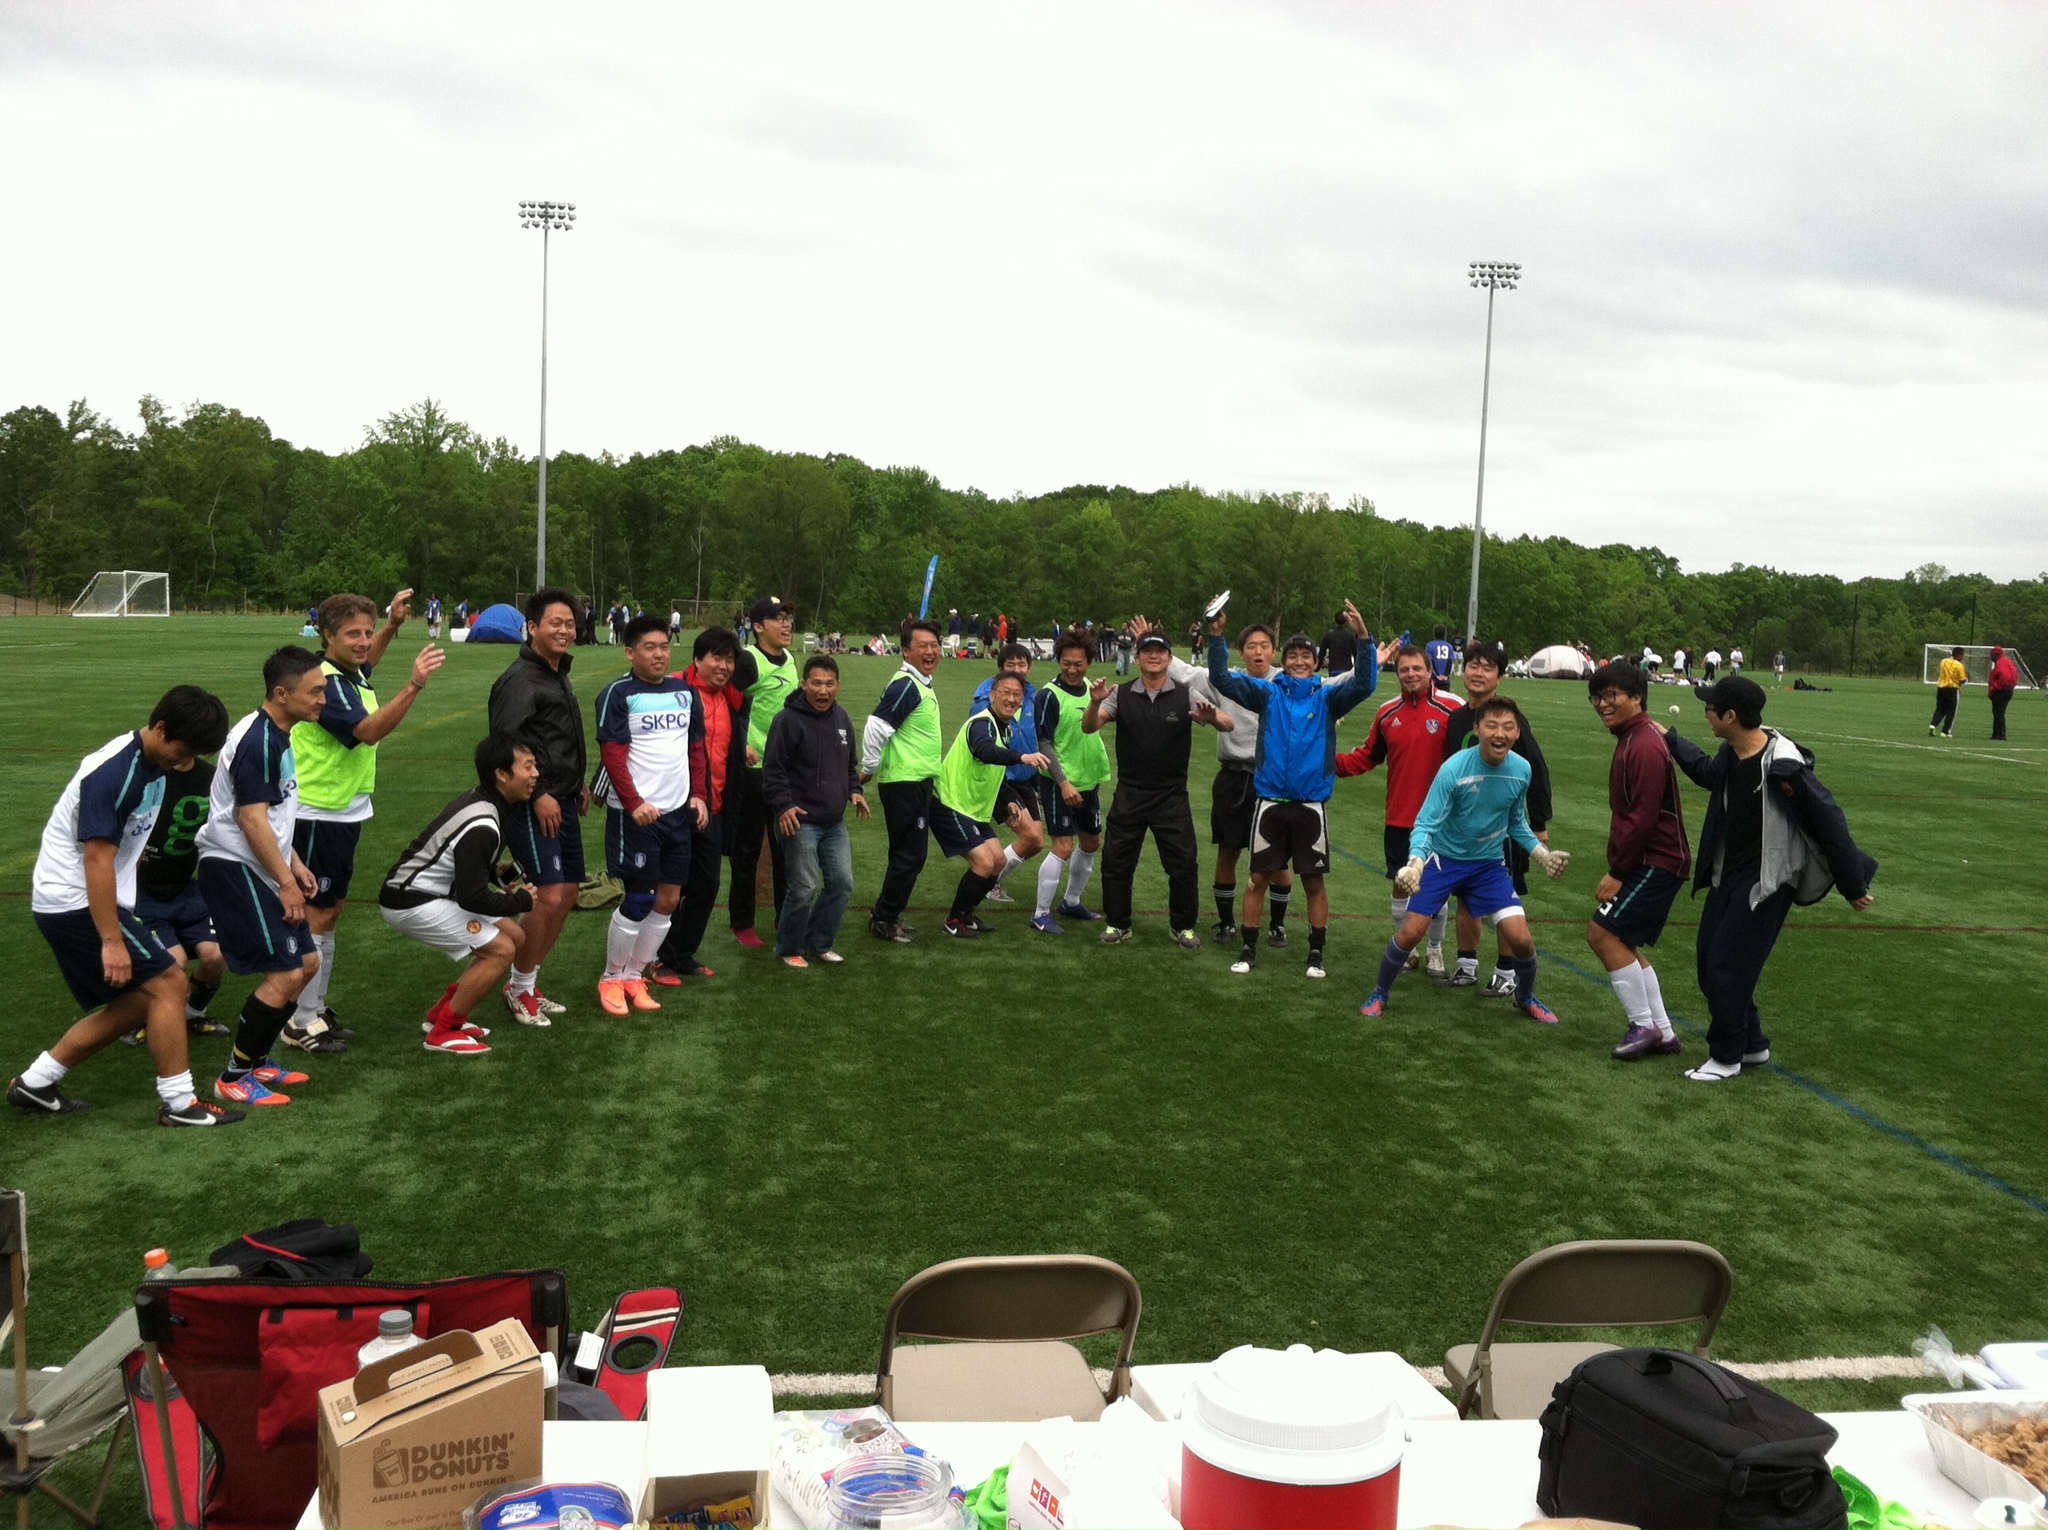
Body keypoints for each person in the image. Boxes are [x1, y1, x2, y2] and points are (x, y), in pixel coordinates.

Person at [9, 686, 241, 1126]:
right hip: (74, 901)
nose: (183, 761)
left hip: (86, 898)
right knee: (170, 981)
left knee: (141, 1000)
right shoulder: (117, 774)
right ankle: (180, 1104)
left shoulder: (151, 762)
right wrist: (112, 940)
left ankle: (36, 1082)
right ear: (161, 728)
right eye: (182, 750)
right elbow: (97, 859)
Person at [1664, 676, 1877, 1080]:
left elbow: (1830, 822)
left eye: (1710, 708)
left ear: (1730, 716)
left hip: (1767, 881)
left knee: (1726, 967)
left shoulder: (1784, 766)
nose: (1706, 713)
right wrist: (1672, 740)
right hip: (1728, 874)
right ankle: (1753, 1045)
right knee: (1710, 965)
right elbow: (1709, 773)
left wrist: (1853, 885)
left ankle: (1726, 1057)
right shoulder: (1731, 754)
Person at [284, 589, 443, 1054]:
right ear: (327, 636)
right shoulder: (327, 684)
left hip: (343, 808)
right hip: (318, 809)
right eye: (352, 634)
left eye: (367, 632)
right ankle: (299, 1019)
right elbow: (367, 732)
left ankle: (314, 1008)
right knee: (317, 913)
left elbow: (367, 662)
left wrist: (391, 626)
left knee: (330, 910)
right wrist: (414, 685)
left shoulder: (347, 673)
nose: (363, 642)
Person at [1359, 698, 1571, 1022]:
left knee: (1522, 940)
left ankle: (1525, 997)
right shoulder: (1454, 769)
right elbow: (1426, 823)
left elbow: (1515, 821)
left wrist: (1541, 855)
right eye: (1492, 726)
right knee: (1411, 932)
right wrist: (1416, 863)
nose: (1500, 734)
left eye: (1508, 727)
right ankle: (1379, 993)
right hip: (1443, 861)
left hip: (1488, 865)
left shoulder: (1522, 769)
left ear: (1518, 733)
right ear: (1477, 729)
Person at [1210, 604, 1382, 977]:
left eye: (1306, 656)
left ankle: (1316, 953)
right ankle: (1248, 949)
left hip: (1310, 804)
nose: (1300, 661)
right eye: (1293, 656)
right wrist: (1217, 635)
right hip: (1270, 801)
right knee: (1258, 878)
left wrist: (1363, 637)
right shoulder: (1268, 693)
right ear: (1283, 662)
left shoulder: (1327, 698)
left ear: (1317, 662)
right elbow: (1222, 679)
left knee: (1313, 881)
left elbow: (1365, 684)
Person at [195, 647, 330, 1108]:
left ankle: (257, 1059)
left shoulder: (278, 734)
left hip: (260, 862)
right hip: (235, 864)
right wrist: (287, 882)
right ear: (281, 693)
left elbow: (271, 814)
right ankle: (234, 1077)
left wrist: (296, 864)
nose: (323, 699)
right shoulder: (260, 741)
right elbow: (250, 819)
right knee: (287, 971)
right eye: (315, 691)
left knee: (306, 964)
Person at [379, 735, 543, 1055]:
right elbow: (473, 897)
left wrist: (494, 873)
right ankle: (444, 1030)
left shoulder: (485, 800)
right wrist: (519, 901)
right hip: (411, 901)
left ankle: (441, 1013)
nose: (536, 773)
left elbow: (461, 860)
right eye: (528, 766)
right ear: (502, 774)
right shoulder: (483, 823)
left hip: (430, 893)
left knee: (515, 936)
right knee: (501, 950)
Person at [592, 615, 708, 1014]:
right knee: (640, 898)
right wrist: (634, 802)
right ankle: (611, 978)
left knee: (669, 899)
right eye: (649, 647)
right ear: (630, 652)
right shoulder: (618, 693)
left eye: (664, 646)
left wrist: (699, 795)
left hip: (678, 814)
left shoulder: (684, 692)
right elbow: (613, 754)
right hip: (637, 816)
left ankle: (634, 975)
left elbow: (696, 748)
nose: (659, 654)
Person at [1082, 632, 1229, 946]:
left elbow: (1228, 723)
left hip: (1171, 795)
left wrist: (1213, 717)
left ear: (1169, 658)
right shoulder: (1121, 694)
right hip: (1131, 792)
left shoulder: (1185, 694)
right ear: (1137, 658)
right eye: (1147, 651)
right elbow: (1089, 726)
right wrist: (1094, 703)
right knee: (1117, 861)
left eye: (1160, 651)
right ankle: (1118, 924)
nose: (1154, 656)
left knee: (1183, 864)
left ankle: (1183, 927)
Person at [486, 586, 588, 1025]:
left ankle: (525, 982)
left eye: (570, 624)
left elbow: (557, 738)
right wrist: (540, 792)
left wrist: (576, 783)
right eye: (555, 623)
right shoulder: (521, 680)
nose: (564, 630)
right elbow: (504, 746)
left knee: (568, 893)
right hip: (533, 803)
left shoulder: (556, 672)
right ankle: (519, 988)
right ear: (532, 627)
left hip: (562, 798)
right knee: (547, 896)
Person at [1586, 661, 1693, 1062]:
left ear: (1637, 697)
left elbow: (1643, 817)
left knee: (1602, 934)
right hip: (1654, 858)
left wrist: (1618, 871)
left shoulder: (1643, 744)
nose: (1603, 704)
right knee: (1622, 940)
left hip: (1657, 859)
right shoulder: (1634, 737)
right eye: (1597, 697)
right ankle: (1663, 1032)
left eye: (1611, 696)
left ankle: (1644, 1025)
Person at [1437, 640, 1554, 996]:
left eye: (1487, 668)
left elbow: (1536, 769)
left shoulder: (1509, 721)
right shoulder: (1458, 719)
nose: (1478, 673)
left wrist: (1539, 823)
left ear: (1500, 677)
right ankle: (1467, 966)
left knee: (1505, 899)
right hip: (1463, 831)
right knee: (1465, 897)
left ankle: (1506, 972)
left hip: (1503, 829)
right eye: (1473, 665)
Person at [1335, 644, 1459, 977]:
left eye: (1417, 668)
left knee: (1436, 886)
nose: (1411, 674)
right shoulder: (1387, 713)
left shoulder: (1453, 708)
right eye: (1404, 669)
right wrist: (1330, 763)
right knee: (1400, 882)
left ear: (1430, 671)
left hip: (1443, 820)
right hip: (1400, 816)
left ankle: (1435, 949)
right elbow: (1368, 755)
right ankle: (1407, 948)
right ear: (1397, 674)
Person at [652, 628, 750, 984]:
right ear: (697, 659)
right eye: (716, 658)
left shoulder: (733, 699)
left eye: (729, 660)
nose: (724, 666)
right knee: (668, 887)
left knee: (706, 885)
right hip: (673, 807)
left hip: (715, 807)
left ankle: (681, 954)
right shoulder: (673, 690)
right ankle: (656, 957)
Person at [118, 747, 231, 1050]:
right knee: (174, 963)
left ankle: (192, 1014)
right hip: (145, 894)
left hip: (186, 889)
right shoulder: (152, 778)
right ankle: (146, 1018)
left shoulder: (212, 778)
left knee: (215, 956)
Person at [763, 655, 869, 966]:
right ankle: (789, 948)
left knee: (842, 884)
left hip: (834, 822)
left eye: (830, 684)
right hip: (800, 821)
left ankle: (819, 943)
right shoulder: (787, 721)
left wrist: (855, 790)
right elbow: (773, 770)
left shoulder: (842, 718)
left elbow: (849, 765)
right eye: (817, 683)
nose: (823, 690)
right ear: (804, 684)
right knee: (804, 887)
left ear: (838, 685)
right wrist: (784, 806)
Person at [928, 673, 1052, 938]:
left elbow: (995, 770)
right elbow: (985, 751)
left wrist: (1009, 800)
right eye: (1005, 692)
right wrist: (1022, 757)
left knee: (998, 861)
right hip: (950, 803)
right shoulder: (982, 723)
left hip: (973, 808)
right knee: (984, 862)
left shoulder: (1004, 729)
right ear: (992, 695)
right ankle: (953, 921)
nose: (1011, 699)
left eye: (1017, 694)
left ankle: (967, 914)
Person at [1200, 622, 1295, 949]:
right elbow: (1186, 672)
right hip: (1232, 778)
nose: (1259, 651)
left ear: (1274, 651)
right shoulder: (1229, 681)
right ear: (1241, 652)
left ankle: (1278, 925)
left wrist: (1370, 657)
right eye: (1252, 646)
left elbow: (1333, 686)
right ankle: (1226, 922)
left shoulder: (1287, 683)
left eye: (1265, 645)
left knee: (1278, 858)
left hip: (1273, 780)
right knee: (1228, 851)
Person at [862, 619, 945, 943]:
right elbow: (876, 726)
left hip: (915, 782)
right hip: (904, 783)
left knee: (907, 855)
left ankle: (888, 913)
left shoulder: (919, 683)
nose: (930, 651)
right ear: (906, 651)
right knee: (911, 856)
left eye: (934, 645)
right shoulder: (907, 685)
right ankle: (884, 918)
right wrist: (869, 767)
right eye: (922, 646)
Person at [728, 596, 801, 948]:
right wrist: (739, 743)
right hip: (752, 771)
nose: (786, 624)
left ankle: (784, 915)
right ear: (757, 627)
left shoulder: (790, 660)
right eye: (777, 618)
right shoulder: (748, 661)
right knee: (747, 851)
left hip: (784, 770)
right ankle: (742, 922)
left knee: (787, 848)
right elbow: (724, 704)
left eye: (787, 618)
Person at [1029, 631, 1114, 933]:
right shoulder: (1048, 695)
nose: (1072, 669)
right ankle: (1040, 914)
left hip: (1088, 781)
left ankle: (1071, 901)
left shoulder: (1093, 689)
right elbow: (1044, 743)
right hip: (1058, 782)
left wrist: (1093, 776)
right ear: (1059, 660)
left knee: (1091, 842)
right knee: (1063, 846)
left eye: (1078, 664)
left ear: (1089, 662)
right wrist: (1063, 782)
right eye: (1066, 663)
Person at [970, 644, 1048, 905]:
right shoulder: (985, 700)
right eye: (1010, 665)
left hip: (1026, 776)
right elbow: (983, 746)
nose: (1017, 669)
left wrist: (1037, 779)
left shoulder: (1033, 696)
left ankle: (991, 879)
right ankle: (987, 881)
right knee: (1031, 836)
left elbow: (1034, 738)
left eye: (1021, 664)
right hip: (1001, 780)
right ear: (1000, 669)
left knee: (1037, 842)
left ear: (1030, 667)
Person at [1930, 645, 1967, 737]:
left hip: (1941, 688)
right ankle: (1945, 731)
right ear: (1959, 655)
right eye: (1962, 655)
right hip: (1952, 689)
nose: (1963, 657)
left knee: (1940, 708)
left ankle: (1933, 724)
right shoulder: (1959, 665)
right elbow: (1962, 680)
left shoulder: (1943, 661)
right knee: (1951, 711)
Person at [1988, 646, 2018, 740]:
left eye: (1992, 655)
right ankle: (1997, 734)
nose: (1990, 657)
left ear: (1995, 655)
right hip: (2007, 689)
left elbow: (2005, 676)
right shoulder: (2007, 661)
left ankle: (2000, 734)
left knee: (1999, 712)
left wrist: (1995, 686)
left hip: (2002, 690)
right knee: (1998, 712)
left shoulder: (2001, 663)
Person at [1316, 613, 1359, 678]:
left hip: (1333, 669)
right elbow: (1356, 653)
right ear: (1346, 622)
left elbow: (1321, 653)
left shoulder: (1329, 635)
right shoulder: (1350, 635)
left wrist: (1317, 667)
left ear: (1335, 621)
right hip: (1347, 670)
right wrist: (1357, 669)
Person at [1424, 625, 1456, 691]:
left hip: (1433, 679)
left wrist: (1438, 675)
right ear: (1445, 634)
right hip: (1445, 680)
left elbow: (1430, 662)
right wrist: (1446, 675)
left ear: (1434, 634)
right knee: (1445, 697)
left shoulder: (1429, 646)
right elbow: (1450, 662)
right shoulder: (1449, 646)